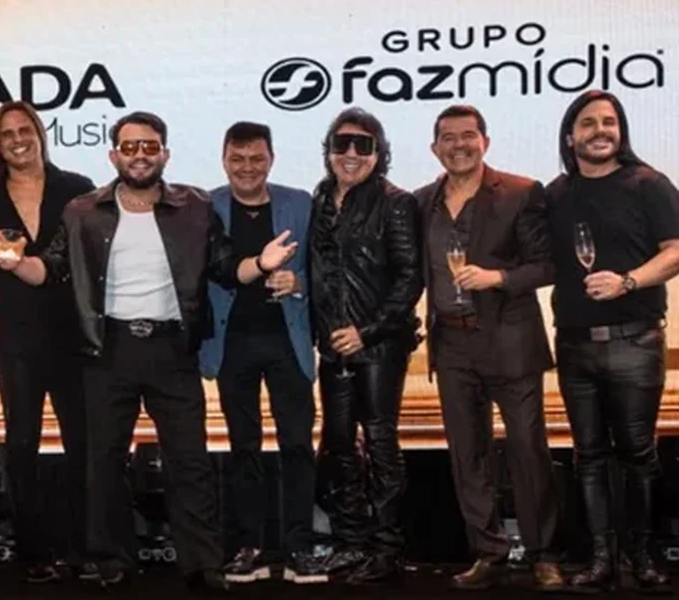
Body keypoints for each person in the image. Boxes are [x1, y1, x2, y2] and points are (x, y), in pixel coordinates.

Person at [1, 110, 297, 594]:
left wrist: (261, 264)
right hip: (106, 350)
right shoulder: (82, 211)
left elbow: (226, 269)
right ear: (113, 155)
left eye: (150, 146)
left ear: (165, 154)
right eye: (130, 146)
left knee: (190, 462)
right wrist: (17, 264)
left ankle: (201, 564)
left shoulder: (195, 207)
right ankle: (113, 560)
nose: (140, 155)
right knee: (103, 461)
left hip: (172, 349)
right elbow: (51, 269)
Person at [412, 105, 563, 592]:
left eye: (468, 135)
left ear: (485, 142)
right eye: (448, 137)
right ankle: (488, 551)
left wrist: (498, 277)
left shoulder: (521, 192)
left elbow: (548, 265)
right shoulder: (421, 202)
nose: (459, 145)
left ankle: (542, 554)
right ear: (435, 147)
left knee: (527, 451)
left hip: (510, 342)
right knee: (467, 454)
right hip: (451, 344)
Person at [0, 101, 95, 583]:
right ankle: (33, 552)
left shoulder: (76, 189)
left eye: (24, 130)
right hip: (16, 339)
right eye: (7, 133)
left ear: (39, 133)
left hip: (74, 337)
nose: (17, 140)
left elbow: (94, 254)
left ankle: (85, 549)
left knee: (84, 445)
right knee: (22, 444)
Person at [545, 90, 679, 594]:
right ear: (570, 136)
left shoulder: (649, 183)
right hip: (574, 345)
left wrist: (627, 281)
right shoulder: (556, 194)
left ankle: (641, 556)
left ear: (621, 131)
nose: (600, 130)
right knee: (588, 455)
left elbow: (676, 251)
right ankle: (602, 558)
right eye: (588, 123)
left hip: (635, 342)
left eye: (609, 121)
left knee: (638, 454)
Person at [198, 121, 324, 585]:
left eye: (256, 158)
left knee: (298, 445)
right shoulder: (205, 206)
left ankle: (299, 547)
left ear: (271, 159)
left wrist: (299, 283)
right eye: (238, 159)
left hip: (288, 341)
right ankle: (248, 547)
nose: (247, 167)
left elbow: (323, 267)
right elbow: (202, 270)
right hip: (232, 343)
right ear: (223, 159)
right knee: (243, 448)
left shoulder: (300, 203)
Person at [308, 107, 422, 585]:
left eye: (363, 144)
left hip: (378, 348)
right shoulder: (319, 199)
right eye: (342, 143)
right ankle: (350, 542)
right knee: (337, 445)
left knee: (379, 441)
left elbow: (410, 278)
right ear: (329, 151)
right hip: (332, 346)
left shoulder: (395, 202)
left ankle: (386, 546)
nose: (351, 153)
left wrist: (367, 330)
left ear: (379, 152)